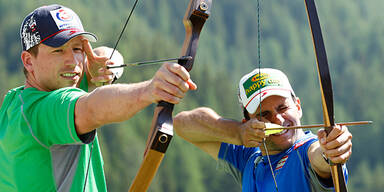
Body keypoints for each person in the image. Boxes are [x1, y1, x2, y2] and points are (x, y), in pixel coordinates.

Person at [0, 4, 196, 191]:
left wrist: (108, 65)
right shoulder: (42, 110)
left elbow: (108, 53)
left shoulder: (15, 101)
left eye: (77, 49)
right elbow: (92, 109)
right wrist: (150, 90)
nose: (73, 61)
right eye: (58, 50)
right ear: (28, 61)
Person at [174, 68, 352, 192]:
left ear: (297, 106)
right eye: (264, 114)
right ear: (248, 122)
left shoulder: (307, 151)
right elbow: (181, 124)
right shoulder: (248, 157)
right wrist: (238, 133)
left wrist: (331, 149)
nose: (278, 119)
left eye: (282, 108)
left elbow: (321, 157)